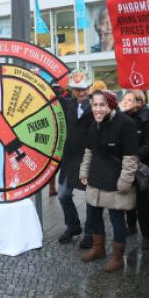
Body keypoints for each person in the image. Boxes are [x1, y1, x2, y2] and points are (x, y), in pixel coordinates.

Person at [80, 90, 139, 272]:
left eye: (101, 105)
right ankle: (98, 249)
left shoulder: (126, 124)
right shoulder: (92, 123)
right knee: (93, 215)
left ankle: (117, 257)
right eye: (94, 105)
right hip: (96, 178)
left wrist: (124, 182)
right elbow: (89, 151)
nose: (97, 109)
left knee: (116, 219)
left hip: (116, 180)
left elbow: (130, 157)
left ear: (110, 105)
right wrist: (84, 171)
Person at [56, 74, 93, 247]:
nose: (82, 92)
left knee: (91, 198)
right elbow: (51, 94)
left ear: (89, 89)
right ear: (72, 90)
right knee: (63, 195)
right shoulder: (67, 104)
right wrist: (36, 77)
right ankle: (73, 226)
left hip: (88, 160)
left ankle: (90, 233)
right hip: (69, 159)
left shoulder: (96, 107)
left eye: (85, 88)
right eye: (78, 89)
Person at [119, 90, 149, 249]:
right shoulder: (122, 116)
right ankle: (131, 226)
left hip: (142, 165)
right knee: (127, 197)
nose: (126, 103)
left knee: (142, 202)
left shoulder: (147, 118)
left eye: (130, 100)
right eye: (125, 100)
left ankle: (147, 235)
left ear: (139, 103)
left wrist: (133, 156)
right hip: (125, 165)